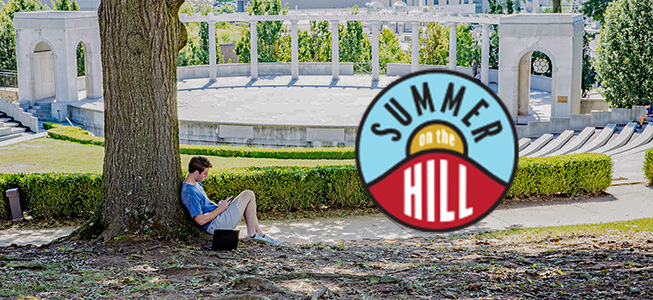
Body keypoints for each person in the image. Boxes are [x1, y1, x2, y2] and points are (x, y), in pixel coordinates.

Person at [181, 156, 280, 245]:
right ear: (196, 172)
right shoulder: (190, 192)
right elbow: (200, 220)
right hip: (216, 225)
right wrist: (220, 209)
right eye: (205, 173)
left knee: (247, 200)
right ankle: (255, 235)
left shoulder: (196, 184)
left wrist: (220, 206)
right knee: (248, 194)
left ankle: (258, 235)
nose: (206, 176)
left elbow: (205, 207)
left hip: (218, 218)